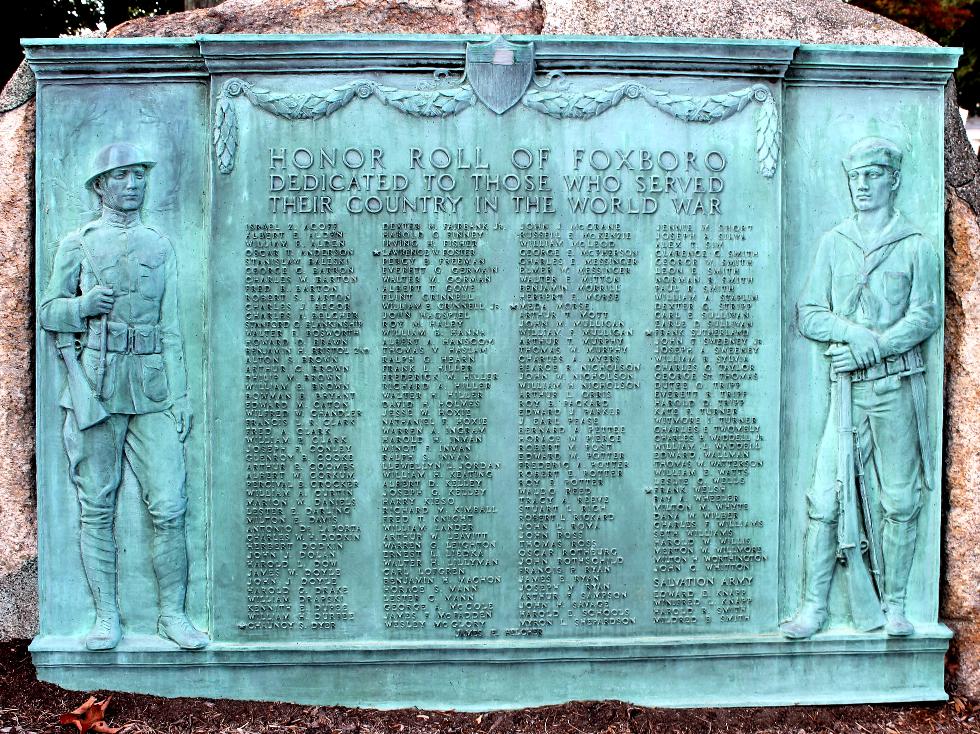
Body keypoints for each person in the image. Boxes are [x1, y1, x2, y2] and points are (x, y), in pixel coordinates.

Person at [40, 142, 208, 651]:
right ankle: (106, 618)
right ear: (99, 187)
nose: (133, 184)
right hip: (97, 381)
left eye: (139, 174)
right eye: (121, 176)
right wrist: (83, 306)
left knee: (171, 505)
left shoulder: (160, 245)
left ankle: (173, 616)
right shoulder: (78, 243)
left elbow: (174, 325)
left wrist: (180, 395)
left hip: (153, 387)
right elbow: (48, 310)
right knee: (97, 503)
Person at [782, 137, 941, 639]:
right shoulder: (835, 241)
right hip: (846, 394)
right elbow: (810, 312)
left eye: (872, 175)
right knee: (824, 501)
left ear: (893, 179)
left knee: (899, 502)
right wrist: (851, 334)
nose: (862, 185)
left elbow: (927, 314)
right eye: (855, 177)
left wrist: (877, 345)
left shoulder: (916, 245)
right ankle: (814, 607)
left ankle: (894, 606)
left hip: (896, 390)